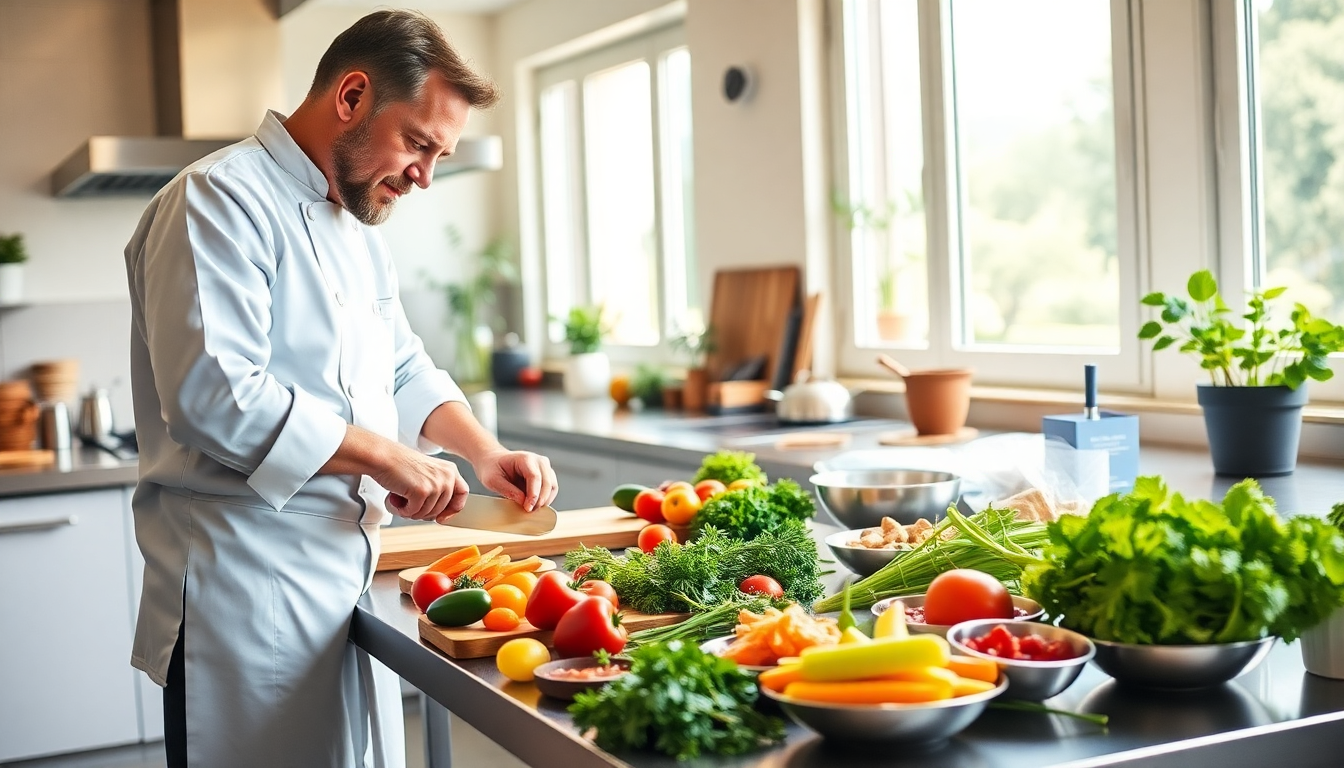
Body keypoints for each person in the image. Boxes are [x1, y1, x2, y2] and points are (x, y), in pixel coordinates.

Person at [122, 11, 557, 767]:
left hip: (344, 572)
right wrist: (385, 459)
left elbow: (402, 366)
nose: (425, 174)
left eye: (440, 155)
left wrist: (484, 452)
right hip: (244, 585)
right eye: (419, 144)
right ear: (352, 96)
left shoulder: (360, 231)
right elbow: (215, 396)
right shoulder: (218, 200)